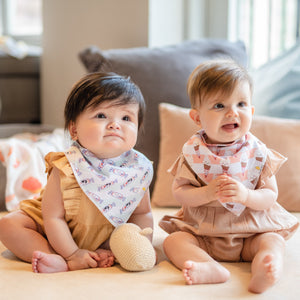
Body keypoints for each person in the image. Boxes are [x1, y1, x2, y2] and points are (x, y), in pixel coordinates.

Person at [159, 60, 299, 294]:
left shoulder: (257, 152)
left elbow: (270, 195)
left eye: (241, 104)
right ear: (196, 118)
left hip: (250, 232)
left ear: (251, 111)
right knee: (173, 242)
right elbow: (180, 191)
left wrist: (245, 195)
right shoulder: (193, 153)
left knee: (273, 240)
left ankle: (267, 265)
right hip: (204, 233)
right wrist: (206, 193)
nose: (233, 112)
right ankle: (208, 266)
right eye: (219, 105)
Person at [0, 72, 154, 273]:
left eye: (126, 118)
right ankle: (54, 257)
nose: (115, 124)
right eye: (101, 115)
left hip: (103, 233)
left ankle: (98, 251)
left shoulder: (137, 170)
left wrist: (138, 244)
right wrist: (72, 253)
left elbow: (143, 213)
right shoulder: (66, 165)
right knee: (8, 225)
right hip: (53, 228)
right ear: (74, 130)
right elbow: (53, 218)